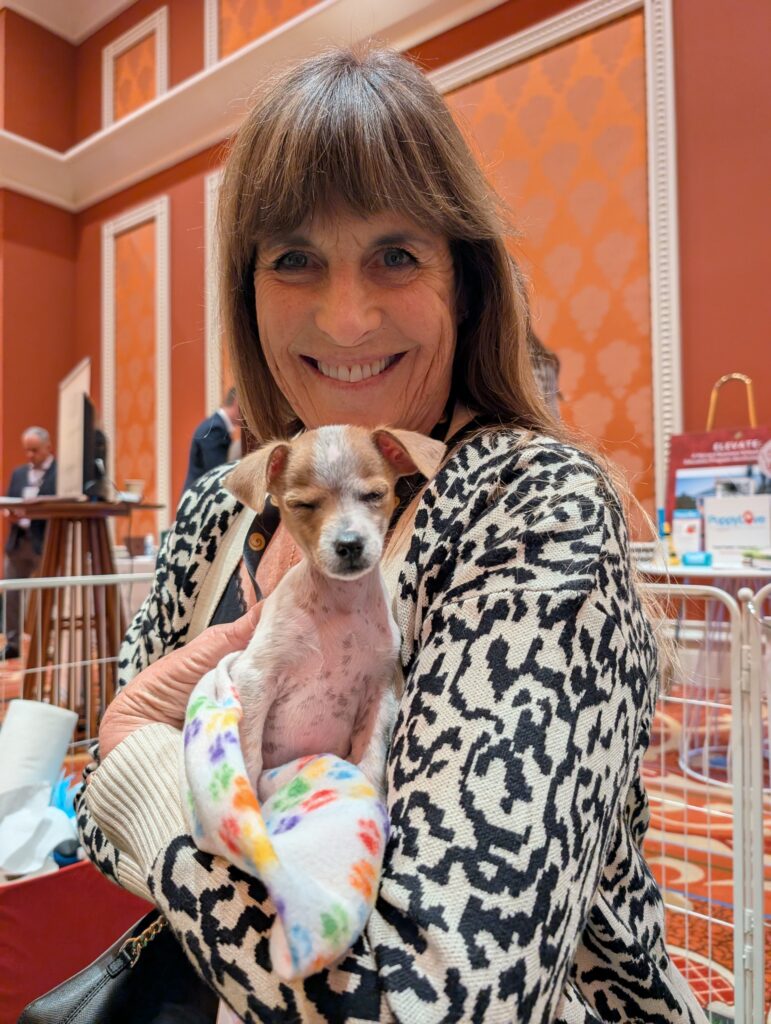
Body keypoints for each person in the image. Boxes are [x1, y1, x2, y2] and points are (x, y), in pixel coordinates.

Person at [76, 47, 706, 1024]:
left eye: (396, 255)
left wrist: (144, 781)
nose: (346, 317)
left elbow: (437, 998)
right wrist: (128, 791)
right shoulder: (216, 516)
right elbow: (91, 816)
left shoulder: (530, 509)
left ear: (466, 281)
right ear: (248, 289)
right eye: (294, 259)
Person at [2, 427, 56, 659]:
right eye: (27, 450)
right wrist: (9, 513)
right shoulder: (19, 473)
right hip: (18, 541)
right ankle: (12, 644)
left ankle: (45, 645)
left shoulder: (59, 473)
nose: (30, 455)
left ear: (48, 447)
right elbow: (10, 499)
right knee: (12, 594)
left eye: (34, 450)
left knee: (47, 595)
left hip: (45, 542)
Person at [182, 386, 241, 494]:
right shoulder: (215, 429)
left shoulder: (216, 425)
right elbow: (217, 470)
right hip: (198, 497)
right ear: (237, 402)